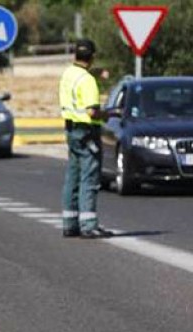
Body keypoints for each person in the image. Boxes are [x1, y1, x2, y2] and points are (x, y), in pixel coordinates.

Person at [59, 38, 112, 239]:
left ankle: (69, 223)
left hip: (71, 130)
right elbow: (92, 111)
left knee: (72, 177)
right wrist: (106, 115)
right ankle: (88, 225)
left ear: (75, 54)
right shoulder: (88, 81)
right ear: (93, 56)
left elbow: (81, 77)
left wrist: (97, 72)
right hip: (87, 131)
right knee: (89, 178)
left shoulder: (68, 74)